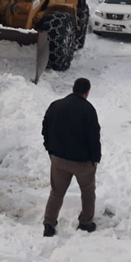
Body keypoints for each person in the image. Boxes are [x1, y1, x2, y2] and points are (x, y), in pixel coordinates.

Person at [42, 77, 101, 237]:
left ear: (73, 87)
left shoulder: (55, 106)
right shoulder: (88, 110)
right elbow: (93, 137)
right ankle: (85, 223)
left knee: (56, 192)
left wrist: (50, 150)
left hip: (59, 160)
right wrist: (95, 159)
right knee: (88, 192)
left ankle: (49, 224)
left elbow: (45, 128)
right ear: (87, 93)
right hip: (82, 163)